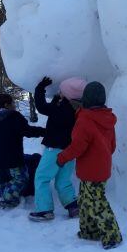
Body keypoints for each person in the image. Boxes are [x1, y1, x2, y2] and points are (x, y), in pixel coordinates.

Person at [57, 81, 123, 249]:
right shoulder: (107, 118)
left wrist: (63, 157)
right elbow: (112, 145)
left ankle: (112, 235)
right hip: (101, 168)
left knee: (98, 204)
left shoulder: (84, 120)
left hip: (90, 170)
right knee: (86, 201)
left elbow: (77, 147)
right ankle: (89, 231)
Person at [29, 76, 86, 222]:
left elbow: (41, 107)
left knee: (42, 178)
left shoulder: (59, 109)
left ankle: (44, 210)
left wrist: (40, 88)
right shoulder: (78, 109)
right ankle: (73, 206)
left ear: (66, 94)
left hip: (53, 150)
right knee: (63, 180)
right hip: (69, 151)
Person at [0, 93, 45, 209]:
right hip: (12, 157)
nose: (15, 105)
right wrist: (45, 132)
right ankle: (5, 201)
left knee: (3, 180)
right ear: (7, 105)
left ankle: (0, 199)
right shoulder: (13, 116)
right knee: (21, 178)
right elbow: (28, 131)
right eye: (13, 103)